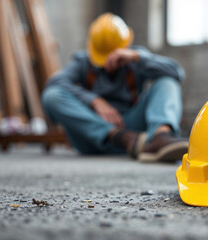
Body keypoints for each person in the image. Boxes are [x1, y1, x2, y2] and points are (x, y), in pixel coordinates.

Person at [41, 13, 188, 162]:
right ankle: (120, 137)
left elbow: (177, 72)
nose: (107, 64)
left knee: (167, 82)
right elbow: (54, 82)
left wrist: (137, 57)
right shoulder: (83, 61)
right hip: (90, 135)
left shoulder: (136, 58)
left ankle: (160, 138)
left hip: (135, 134)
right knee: (51, 96)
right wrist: (94, 101)